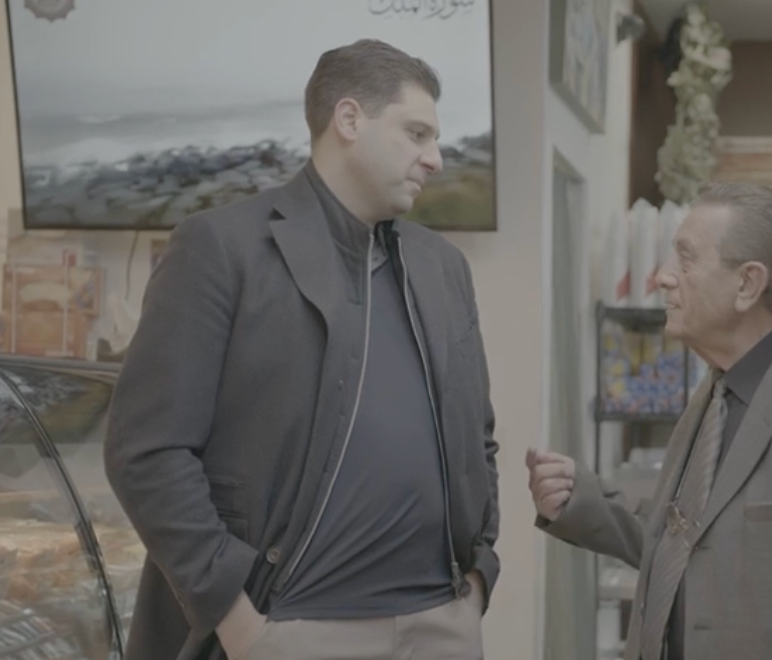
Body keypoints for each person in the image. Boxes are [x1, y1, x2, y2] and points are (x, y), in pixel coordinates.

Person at [105, 39, 500, 660]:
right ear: (349, 120)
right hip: (288, 628)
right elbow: (146, 451)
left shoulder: (444, 267)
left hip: (442, 624)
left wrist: (479, 575)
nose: (437, 159)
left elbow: (478, 439)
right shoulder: (220, 248)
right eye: (417, 134)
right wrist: (234, 617)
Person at [528, 182, 772, 660]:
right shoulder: (711, 397)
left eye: (685, 260)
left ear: (747, 284)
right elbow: (683, 543)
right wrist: (579, 499)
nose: (663, 277)